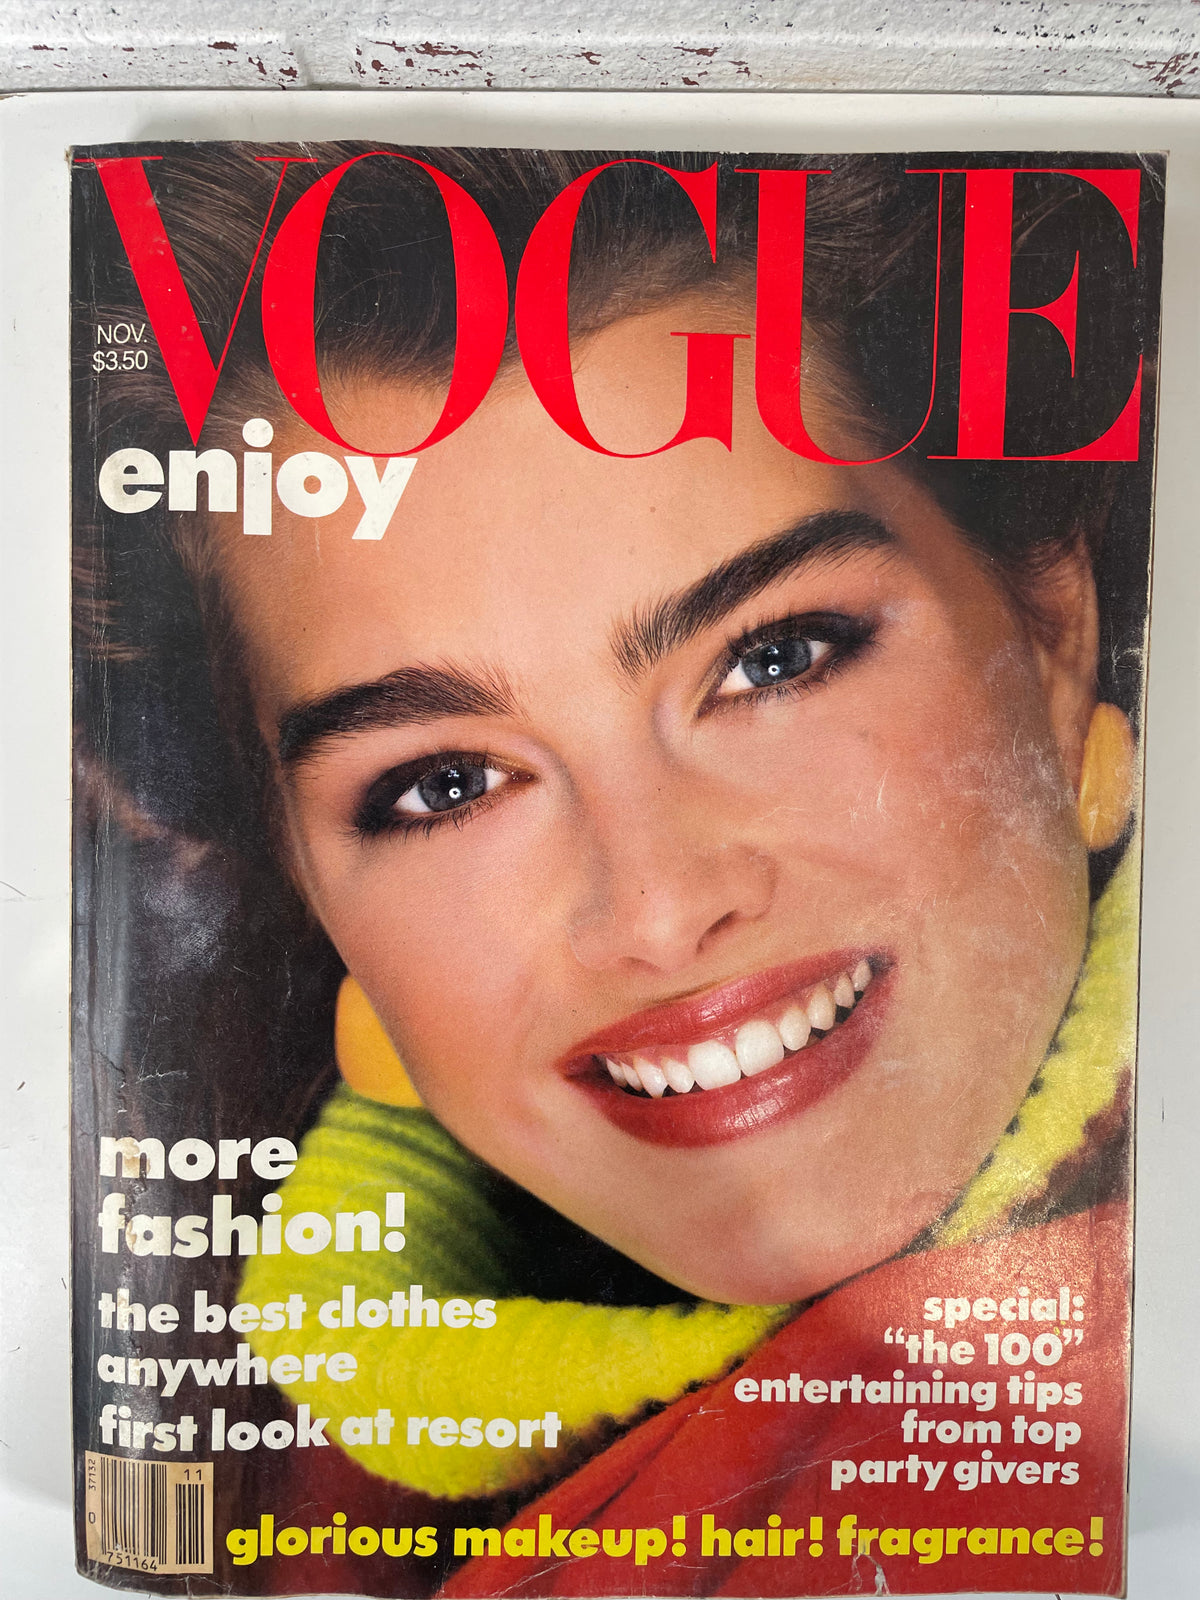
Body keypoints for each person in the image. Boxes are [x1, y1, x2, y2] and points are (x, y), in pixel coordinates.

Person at [76, 145, 1151, 1595]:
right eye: (444, 785)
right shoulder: (242, 1510)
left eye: (775, 658)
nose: (657, 908)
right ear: (307, 895)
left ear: (1053, 624)